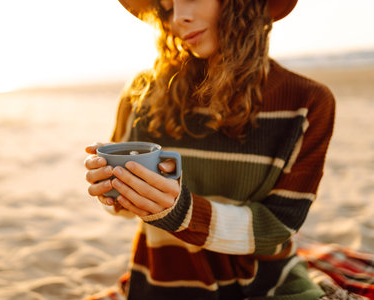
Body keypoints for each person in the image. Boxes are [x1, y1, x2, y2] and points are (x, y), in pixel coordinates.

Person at [84, 0, 335, 299]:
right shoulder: (142, 93)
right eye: (167, 7)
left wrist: (181, 212)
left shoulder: (307, 102)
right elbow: (123, 211)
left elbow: (278, 227)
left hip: (264, 287)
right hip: (163, 283)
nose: (178, 18)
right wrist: (114, 190)